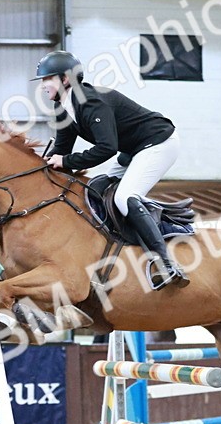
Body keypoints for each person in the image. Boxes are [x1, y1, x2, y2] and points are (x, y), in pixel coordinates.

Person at [33, 50, 187, 290]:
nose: (43, 85)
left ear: (65, 79)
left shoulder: (90, 101)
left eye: (47, 79)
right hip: (133, 150)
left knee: (125, 197)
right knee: (95, 189)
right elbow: (61, 155)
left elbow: (107, 148)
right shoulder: (63, 109)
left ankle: (166, 263)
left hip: (159, 142)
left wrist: (65, 161)